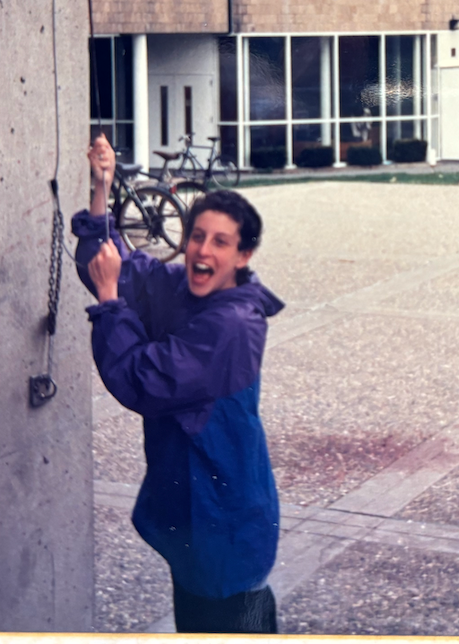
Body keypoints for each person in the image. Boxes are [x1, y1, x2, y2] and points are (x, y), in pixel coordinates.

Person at [73, 135, 284, 633]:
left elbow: (141, 381)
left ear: (244, 255)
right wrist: (102, 190)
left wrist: (109, 303)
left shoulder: (233, 325)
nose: (201, 250)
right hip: (197, 527)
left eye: (220, 242)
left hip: (226, 530)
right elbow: (119, 266)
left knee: (229, 620)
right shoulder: (188, 291)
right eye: (196, 236)